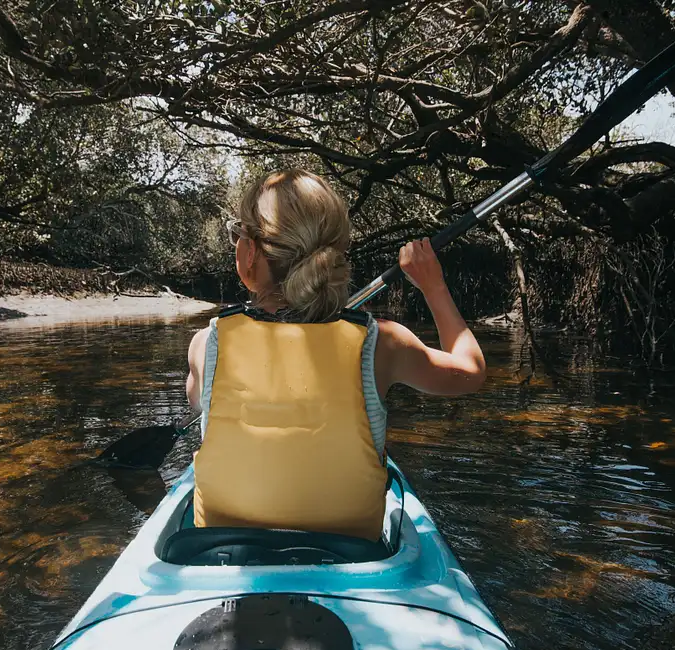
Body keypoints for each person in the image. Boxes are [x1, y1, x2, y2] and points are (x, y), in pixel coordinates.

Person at [185, 169, 486, 541]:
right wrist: (433, 286)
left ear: (249, 254)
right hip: (352, 552)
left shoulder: (206, 344)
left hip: (217, 551)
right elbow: (471, 371)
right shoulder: (382, 344)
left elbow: (199, 403)